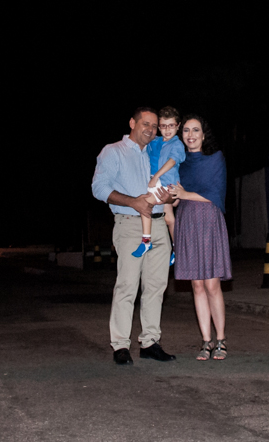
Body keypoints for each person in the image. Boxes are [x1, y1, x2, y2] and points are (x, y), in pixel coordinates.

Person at [90, 107, 177, 365]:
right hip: (129, 224)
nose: (150, 130)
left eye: (154, 126)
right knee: (127, 285)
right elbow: (99, 188)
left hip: (159, 225)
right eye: (145, 124)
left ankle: (150, 342)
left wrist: (168, 196)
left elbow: (170, 185)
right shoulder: (113, 151)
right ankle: (120, 345)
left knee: (156, 287)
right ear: (132, 122)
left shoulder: (157, 151)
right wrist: (133, 202)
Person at [170, 113, 232, 361]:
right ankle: (206, 341)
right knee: (196, 285)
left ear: (204, 135)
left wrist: (185, 194)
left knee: (212, 284)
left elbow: (215, 195)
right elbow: (175, 197)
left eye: (196, 130)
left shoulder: (215, 158)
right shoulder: (178, 163)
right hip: (187, 221)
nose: (191, 135)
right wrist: (172, 196)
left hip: (208, 221)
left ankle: (221, 339)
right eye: (186, 130)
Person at [134, 106, 185, 262]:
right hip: (157, 181)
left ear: (178, 125)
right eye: (163, 126)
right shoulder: (156, 141)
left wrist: (156, 176)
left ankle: (146, 240)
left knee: (145, 204)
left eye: (171, 125)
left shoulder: (177, 145)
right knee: (169, 218)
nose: (167, 130)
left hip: (166, 183)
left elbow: (172, 161)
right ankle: (178, 248)